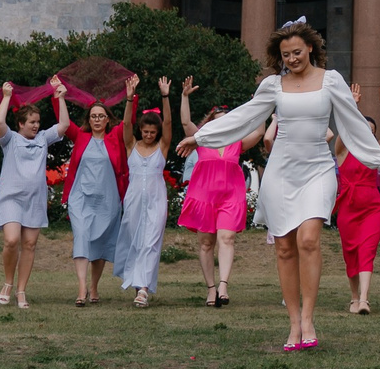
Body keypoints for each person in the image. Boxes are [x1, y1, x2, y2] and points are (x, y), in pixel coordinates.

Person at [191, 20, 380, 351]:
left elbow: (353, 124)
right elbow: (245, 117)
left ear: (311, 48)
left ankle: (308, 320)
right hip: (281, 172)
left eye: (297, 52)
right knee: (285, 248)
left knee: (309, 240)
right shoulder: (273, 85)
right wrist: (201, 136)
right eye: (286, 55)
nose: (292, 59)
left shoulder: (331, 81)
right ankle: (292, 323)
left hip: (317, 169)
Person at [175, 77, 259, 307]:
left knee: (227, 238)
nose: (222, 126)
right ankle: (211, 288)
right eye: (217, 122)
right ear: (210, 125)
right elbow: (185, 123)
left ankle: (223, 285)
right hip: (204, 197)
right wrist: (184, 97)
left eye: (226, 122)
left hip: (231, 196)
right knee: (205, 244)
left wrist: (259, 106)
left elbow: (259, 133)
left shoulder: (237, 142)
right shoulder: (202, 140)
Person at [0, 78, 71, 310]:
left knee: (29, 244)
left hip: (34, 200)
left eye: (37, 122)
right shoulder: (10, 139)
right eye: (31, 122)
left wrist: (61, 97)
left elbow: (64, 125)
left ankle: (21, 290)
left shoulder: (43, 139)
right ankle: (8, 283)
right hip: (11, 199)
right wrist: (7, 97)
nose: (35, 126)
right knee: (11, 240)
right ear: (20, 124)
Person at [62, 81, 138, 306]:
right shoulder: (80, 137)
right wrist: (60, 98)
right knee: (82, 237)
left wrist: (130, 99)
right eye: (93, 116)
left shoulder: (114, 137)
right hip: (81, 198)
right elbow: (65, 125)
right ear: (88, 120)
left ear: (107, 119)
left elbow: (128, 122)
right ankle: (82, 288)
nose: (96, 119)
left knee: (101, 244)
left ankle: (94, 285)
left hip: (108, 199)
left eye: (100, 116)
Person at [333, 82, 380, 315]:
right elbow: (343, 132)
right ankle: (353, 297)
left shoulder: (377, 153)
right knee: (350, 253)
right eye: (362, 129)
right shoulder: (343, 151)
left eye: (371, 131)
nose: (366, 134)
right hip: (348, 209)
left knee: (367, 251)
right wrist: (351, 106)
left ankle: (364, 300)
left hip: (372, 209)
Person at [116, 76, 174, 307]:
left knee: (151, 242)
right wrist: (129, 98)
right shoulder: (132, 145)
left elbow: (168, 124)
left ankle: (143, 289)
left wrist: (165, 96)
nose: (149, 135)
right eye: (146, 131)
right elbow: (126, 125)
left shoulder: (162, 146)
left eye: (153, 132)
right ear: (141, 130)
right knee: (136, 241)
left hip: (157, 199)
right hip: (133, 200)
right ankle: (136, 281)